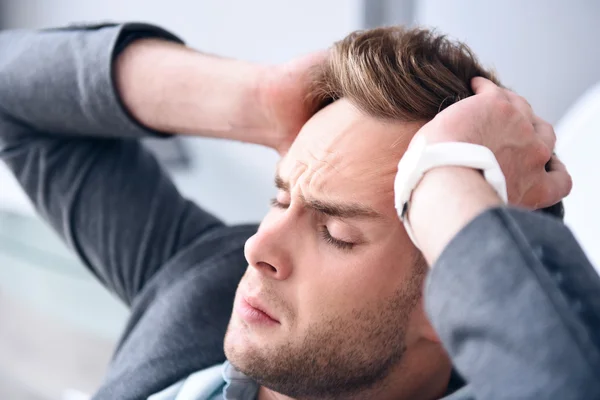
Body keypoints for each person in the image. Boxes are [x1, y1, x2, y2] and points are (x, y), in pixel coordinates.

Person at [0, 22, 598, 400]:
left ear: (449, 294)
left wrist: (446, 180)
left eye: (336, 231)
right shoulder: (197, 283)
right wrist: (258, 99)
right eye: (279, 198)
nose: (257, 249)